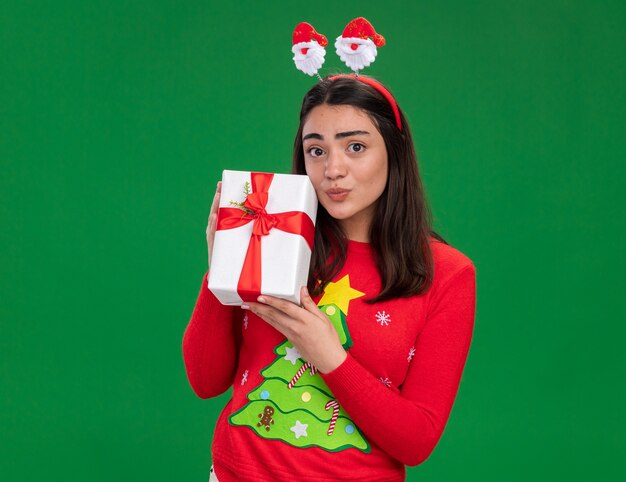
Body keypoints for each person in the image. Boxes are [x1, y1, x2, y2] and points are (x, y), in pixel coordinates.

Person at [183, 75, 477, 482]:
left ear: (395, 149)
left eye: (355, 147)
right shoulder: (272, 231)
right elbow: (205, 380)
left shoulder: (447, 273)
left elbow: (417, 441)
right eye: (316, 150)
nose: (332, 170)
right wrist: (223, 265)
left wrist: (328, 354)